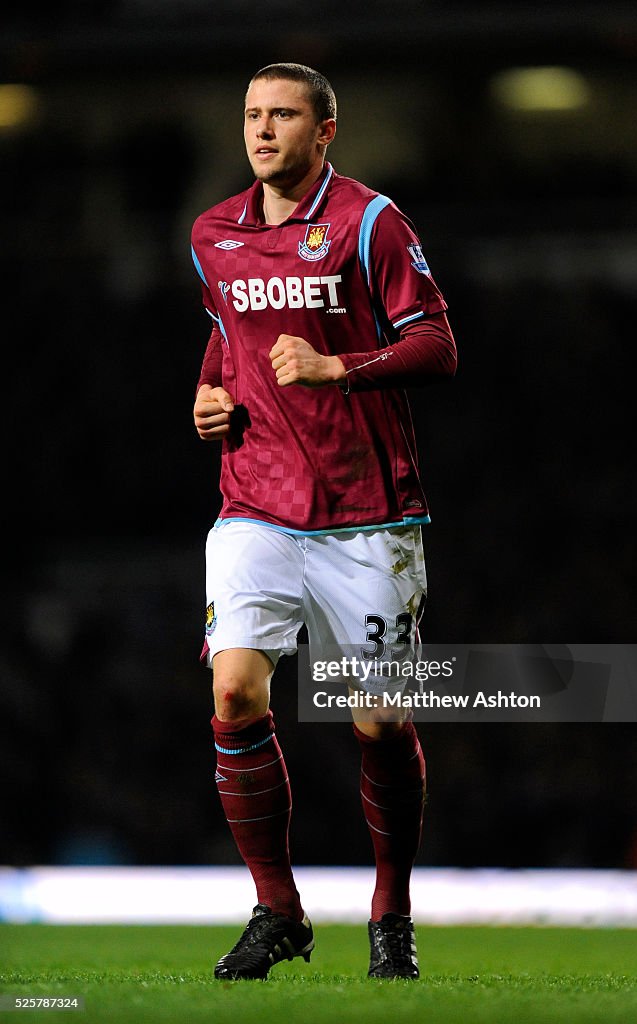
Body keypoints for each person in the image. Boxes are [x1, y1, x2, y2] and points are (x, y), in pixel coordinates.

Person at [191, 62, 456, 981]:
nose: (262, 131)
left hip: (367, 512)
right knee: (234, 693)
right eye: (253, 115)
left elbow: (436, 342)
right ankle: (278, 909)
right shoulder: (212, 233)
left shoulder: (369, 222)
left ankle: (391, 911)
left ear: (326, 130)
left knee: (380, 722)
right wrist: (208, 391)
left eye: (284, 116)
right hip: (256, 503)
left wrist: (339, 369)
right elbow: (229, 331)